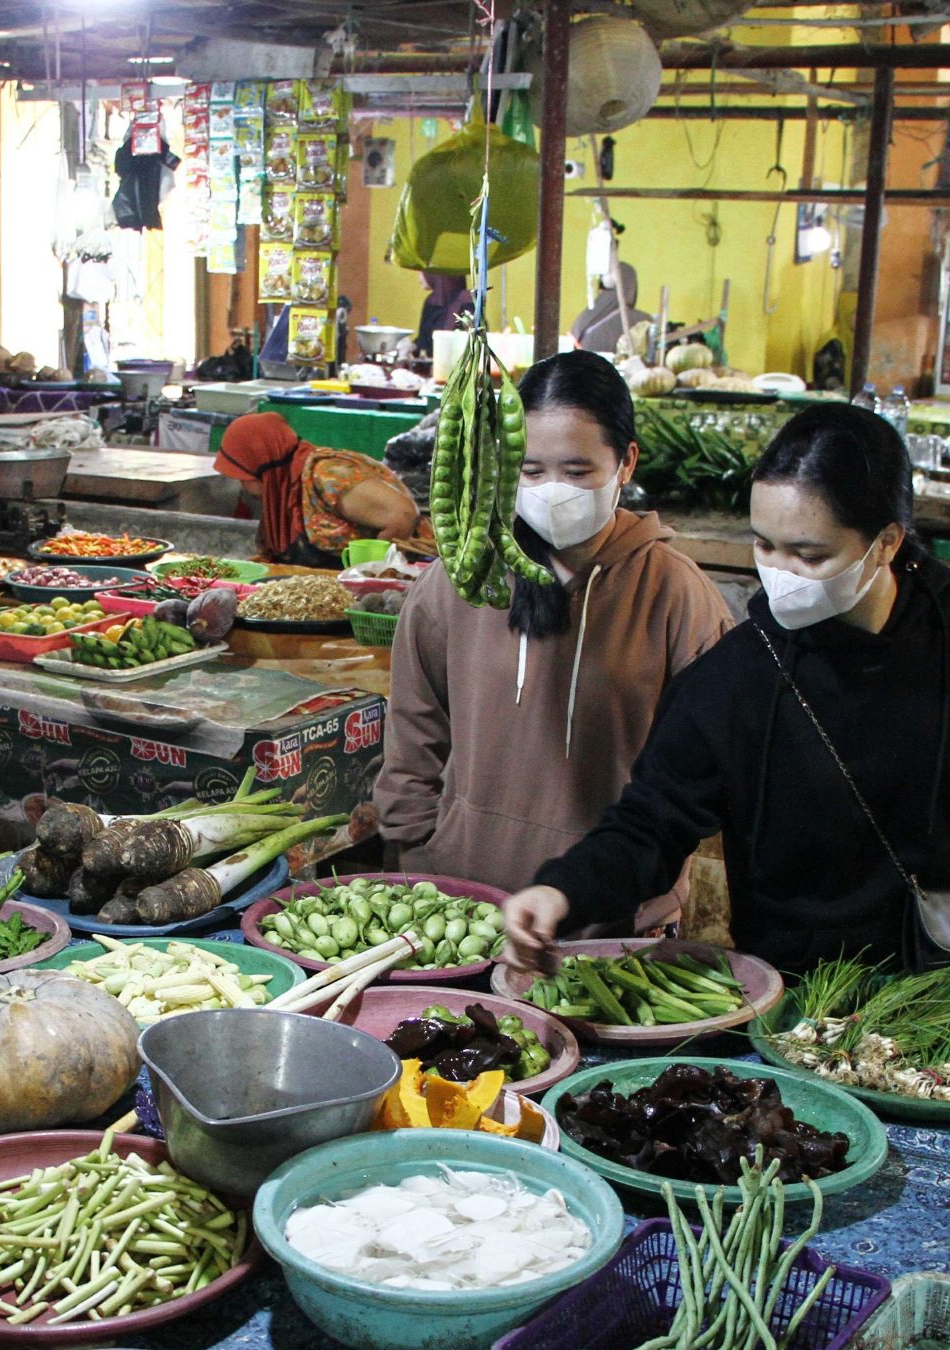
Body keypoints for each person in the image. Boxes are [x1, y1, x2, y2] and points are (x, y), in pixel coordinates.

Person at [500, 401, 950, 1005]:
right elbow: (652, 823)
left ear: (885, 542)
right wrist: (562, 892)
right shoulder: (739, 676)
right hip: (800, 1001)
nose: (781, 574)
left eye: (809, 555)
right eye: (765, 546)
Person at [372, 350, 731, 925]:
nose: (552, 490)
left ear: (626, 462)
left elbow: (705, 776)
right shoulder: (462, 583)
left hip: (609, 918)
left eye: (577, 471)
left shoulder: (677, 597)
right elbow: (414, 735)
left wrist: (646, 888)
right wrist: (416, 853)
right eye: (531, 471)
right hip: (456, 909)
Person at [215, 411, 427, 567]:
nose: (242, 486)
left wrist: (372, 570)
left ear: (262, 464)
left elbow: (403, 515)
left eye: (243, 476)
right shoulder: (284, 491)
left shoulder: (328, 475)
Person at [413, 270, 475, 360]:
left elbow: (467, 342)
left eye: (423, 271)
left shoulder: (466, 302)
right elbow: (424, 341)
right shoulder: (431, 301)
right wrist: (412, 346)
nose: (420, 278)